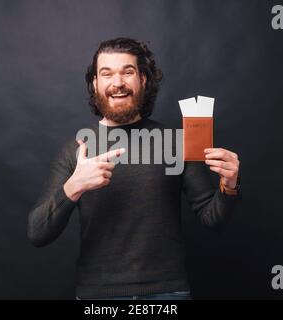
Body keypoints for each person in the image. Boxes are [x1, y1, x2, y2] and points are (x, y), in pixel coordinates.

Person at [27, 38, 241, 300]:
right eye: (106, 74)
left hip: (167, 294)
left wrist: (229, 185)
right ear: (95, 83)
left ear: (143, 80)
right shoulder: (77, 150)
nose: (117, 82)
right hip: (98, 296)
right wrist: (74, 186)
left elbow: (213, 219)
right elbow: (37, 233)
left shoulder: (176, 143)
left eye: (127, 72)